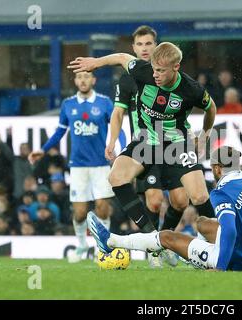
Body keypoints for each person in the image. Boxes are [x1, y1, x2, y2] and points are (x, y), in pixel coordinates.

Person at [68, 41, 217, 261]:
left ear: (176, 67)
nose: (155, 74)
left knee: (199, 195)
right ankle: (153, 237)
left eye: (161, 70)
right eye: (154, 68)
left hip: (177, 143)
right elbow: (121, 57)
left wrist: (204, 135)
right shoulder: (143, 70)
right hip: (147, 139)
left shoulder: (191, 89)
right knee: (116, 177)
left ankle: (217, 247)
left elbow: (211, 107)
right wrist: (96, 63)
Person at [86, 146, 242, 272]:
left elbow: (228, 229)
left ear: (217, 169)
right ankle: (197, 255)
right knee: (203, 223)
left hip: (234, 259)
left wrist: (219, 268)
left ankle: (111, 240)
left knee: (167, 237)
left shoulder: (222, 192)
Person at [112, 26, 189, 267]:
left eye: (149, 44)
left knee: (180, 201)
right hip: (145, 146)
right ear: (134, 48)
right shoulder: (128, 79)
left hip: (173, 145)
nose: (144, 48)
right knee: (154, 200)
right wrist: (112, 141)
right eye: (140, 45)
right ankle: (154, 246)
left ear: (157, 46)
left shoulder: (167, 75)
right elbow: (118, 113)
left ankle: (163, 242)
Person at [28, 70, 115, 263]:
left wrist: (120, 147)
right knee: (80, 212)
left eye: (87, 76)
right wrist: (43, 149)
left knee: (102, 208)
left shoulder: (105, 103)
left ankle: (104, 248)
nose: (83, 80)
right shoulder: (68, 104)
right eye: (80, 77)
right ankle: (82, 245)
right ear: (75, 81)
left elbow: (117, 126)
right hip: (78, 166)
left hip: (101, 164)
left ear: (94, 80)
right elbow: (60, 131)